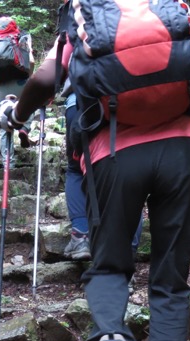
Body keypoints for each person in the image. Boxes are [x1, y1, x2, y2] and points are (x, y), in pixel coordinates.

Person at [0, 12, 190, 341]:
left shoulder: (88, 20)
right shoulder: (170, 14)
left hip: (113, 152)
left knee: (109, 262)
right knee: (171, 275)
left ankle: (110, 339)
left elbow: (42, 80)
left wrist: (16, 116)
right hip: (186, 150)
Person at [62, 89, 144, 262]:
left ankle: (81, 236)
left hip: (81, 105)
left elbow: (45, 78)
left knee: (76, 169)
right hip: (129, 102)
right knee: (130, 170)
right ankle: (126, 251)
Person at [0, 17, 36, 166]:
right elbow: (31, 61)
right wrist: (29, 78)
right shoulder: (21, 37)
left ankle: (8, 164)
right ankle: (24, 129)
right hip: (21, 81)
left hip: (1, 84)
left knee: (4, 122)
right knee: (30, 105)